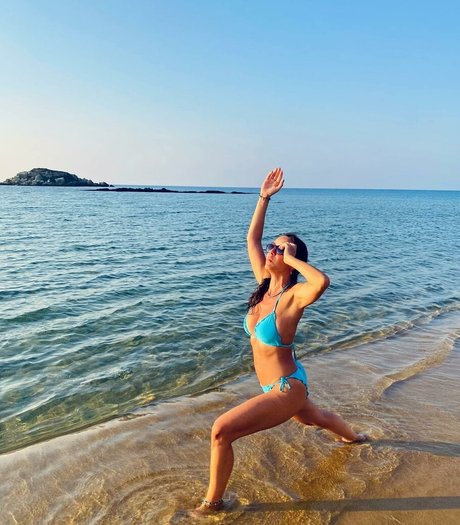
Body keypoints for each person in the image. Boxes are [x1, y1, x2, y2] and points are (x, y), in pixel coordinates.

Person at [195, 167, 366, 514]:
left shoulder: (293, 297)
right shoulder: (263, 286)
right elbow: (251, 239)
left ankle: (211, 505)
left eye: (279, 248)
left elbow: (321, 282)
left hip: (286, 387)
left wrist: (291, 257)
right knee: (313, 417)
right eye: (273, 246)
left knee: (221, 431)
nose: (271, 250)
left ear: (290, 261)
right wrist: (264, 198)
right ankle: (354, 438)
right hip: (283, 384)